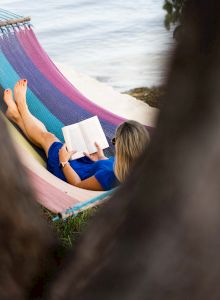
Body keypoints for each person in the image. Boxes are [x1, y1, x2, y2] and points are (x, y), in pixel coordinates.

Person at [3, 79, 150, 191]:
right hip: (88, 166)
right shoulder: (133, 166)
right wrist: (100, 158)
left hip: (70, 173)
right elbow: (109, 167)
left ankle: (22, 107)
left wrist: (64, 162)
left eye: (115, 140)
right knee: (48, 139)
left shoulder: (109, 178)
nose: (114, 143)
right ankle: (16, 116)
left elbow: (77, 185)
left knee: (48, 138)